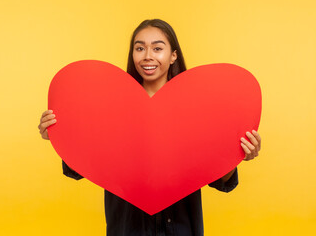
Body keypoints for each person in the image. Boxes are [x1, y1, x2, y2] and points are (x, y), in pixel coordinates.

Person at [38, 19, 261, 236]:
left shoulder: (196, 108)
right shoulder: (112, 106)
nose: (147, 56)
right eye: (140, 48)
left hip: (182, 227)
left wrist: (237, 154)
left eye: (157, 48)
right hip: (127, 227)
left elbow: (218, 178)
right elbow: (84, 166)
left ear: (173, 55)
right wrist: (62, 136)